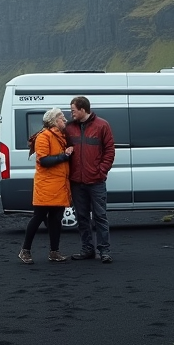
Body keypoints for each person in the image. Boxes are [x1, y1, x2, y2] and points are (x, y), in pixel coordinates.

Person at [64, 95, 116, 263]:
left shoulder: (102, 125)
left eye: (73, 110)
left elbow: (109, 151)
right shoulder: (69, 128)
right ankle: (87, 249)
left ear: (82, 109)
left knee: (100, 216)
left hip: (96, 181)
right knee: (82, 217)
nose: (71, 113)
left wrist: (101, 171)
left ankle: (104, 251)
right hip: (77, 182)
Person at [19, 106, 73, 264]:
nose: (65, 120)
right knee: (38, 217)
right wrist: (65, 156)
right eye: (62, 117)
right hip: (46, 186)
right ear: (54, 120)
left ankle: (54, 252)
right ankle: (25, 251)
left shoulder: (61, 137)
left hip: (59, 184)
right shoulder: (44, 137)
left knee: (56, 219)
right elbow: (43, 160)